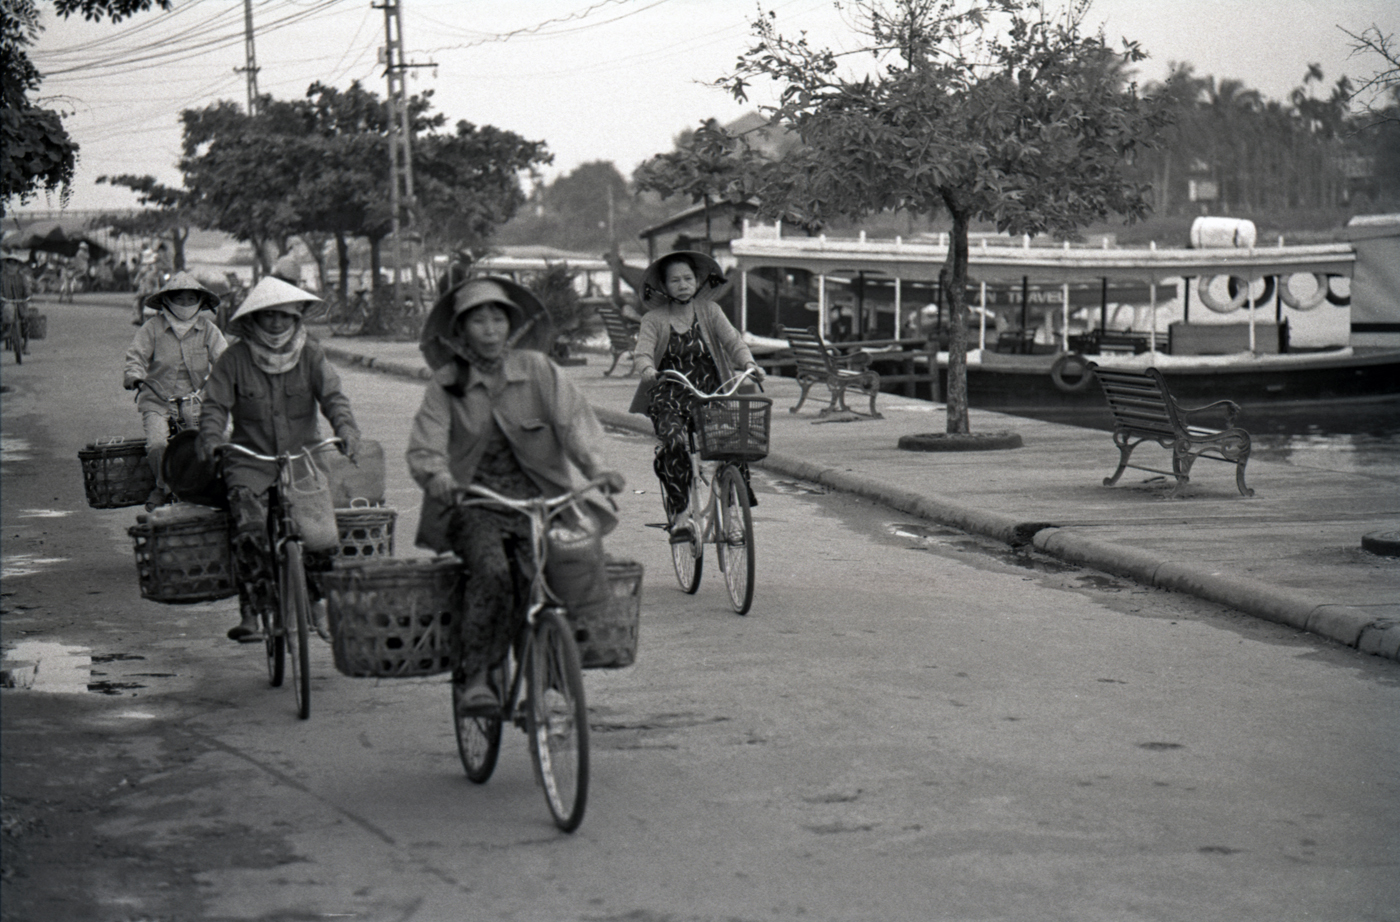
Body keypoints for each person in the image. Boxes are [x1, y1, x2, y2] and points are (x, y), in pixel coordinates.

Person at [406, 277, 625, 711]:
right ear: (460, 329)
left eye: (497, 319)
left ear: (511, 325)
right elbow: (426, 445)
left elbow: (575, 426)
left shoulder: (539, 370)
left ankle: (550, 675)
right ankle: (478, 675)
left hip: (542, 502)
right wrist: (437, 475)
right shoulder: (447, 383)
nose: (490, 330)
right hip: (475, 504)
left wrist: (598, 468)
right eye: (478, 321)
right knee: (493, 574)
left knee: (558, 575)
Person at [197, 276, 363, 642]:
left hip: (304, 458)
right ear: (254, 319)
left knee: (321, 537)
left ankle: (317, 603)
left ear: (296, 318)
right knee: (249, 532)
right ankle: (252, 611)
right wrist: (211, 438)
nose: (276, 323)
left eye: (284, 316)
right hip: (249, 461)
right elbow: (214, 406)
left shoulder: (311, 354)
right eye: (268, 315)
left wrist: (347, 430)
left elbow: (334, 397)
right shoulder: (234, 359)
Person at [628, 251, 764, 540]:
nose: (683, 285)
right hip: (670, 396)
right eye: (675, 280)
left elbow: (733, 342)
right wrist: (648, 370)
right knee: (674, 443)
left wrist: (750, 364)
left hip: (710, 394)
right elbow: (642, 353)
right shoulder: (653, 319)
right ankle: (680, 515)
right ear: (664, 286)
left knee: (733, 446)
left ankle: (733, 515)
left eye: (688, 279)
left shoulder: (711, 311)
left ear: (697, 281)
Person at [124, 272, 229, 511]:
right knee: (156, 445)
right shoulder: (152, 328)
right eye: (179, 299)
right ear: (168, 301)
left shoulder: (208, 330)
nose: (185, 304)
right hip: (157, 399)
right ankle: (162, 487)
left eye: (191, 299)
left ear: (200, 302)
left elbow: (224, 358)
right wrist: (135, 376)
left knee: (208, 439)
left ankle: (203, 484)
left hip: (196, 398)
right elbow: (135, 356)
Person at [2, 248, 33, 353]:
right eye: (9, 263)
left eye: (14, 264)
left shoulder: (22, 277)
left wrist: (28, 294)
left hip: (20, 303)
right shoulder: (2, 277)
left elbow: (27, 288)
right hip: (5, 303)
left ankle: (26, 344)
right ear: (6, 265)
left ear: (17, 266)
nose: (11, 266)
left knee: (25, 321)